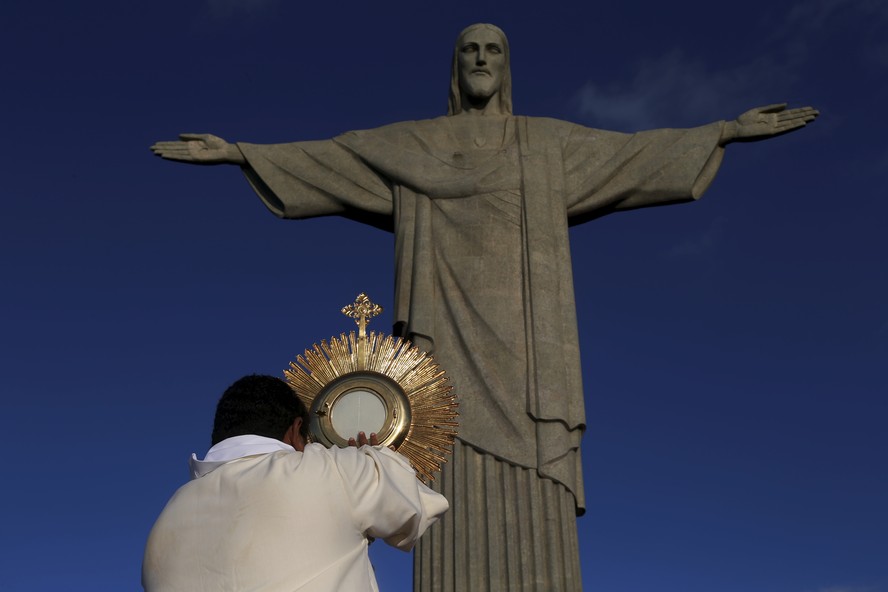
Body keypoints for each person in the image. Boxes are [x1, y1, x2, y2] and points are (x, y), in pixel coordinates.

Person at [151, 23, 817, 591]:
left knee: (529, 481)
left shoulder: (545, 147)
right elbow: (336, 157)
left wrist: (724, 131)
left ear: (506, 67)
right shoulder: (411, 147)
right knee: (442, 465)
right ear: (454, 66)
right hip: (440, 352)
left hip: (531, 360)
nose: (479, 60)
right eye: (469, 49)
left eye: (493, 50)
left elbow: (632, 156)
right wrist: (242, 153)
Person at [142, 374, 449, 592]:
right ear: (295, 430)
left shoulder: (166, 519)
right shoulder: (331, 470)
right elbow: (416, 507)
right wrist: (367, 458)